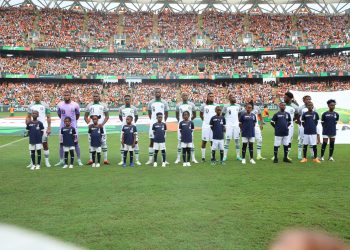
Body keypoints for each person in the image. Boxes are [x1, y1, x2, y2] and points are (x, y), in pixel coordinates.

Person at [56, 91, 82, 166]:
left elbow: (77, 115)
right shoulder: (60, 105)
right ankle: (61, 160)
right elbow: (59, 114)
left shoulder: (75, 105)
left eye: (68, 95)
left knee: (76, 143)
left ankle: (79, 160)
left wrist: (73, 122)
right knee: (61, 143)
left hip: (73, 127)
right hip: (62, 127)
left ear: (70, 95)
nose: (66, 96)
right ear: (63, 96)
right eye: (65, 95)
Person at [26, 91, 52, 168]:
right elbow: (28, 116)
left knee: (45, 144)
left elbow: (48, 117)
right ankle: (32, 162)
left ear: (41, 96)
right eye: (35, 96)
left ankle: (47, 161)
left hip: (42, 128)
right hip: (33, 128)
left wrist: (49, 127)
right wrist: (27, 123)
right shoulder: (31, 106)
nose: (37, 97)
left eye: (38, 96)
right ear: (34, 97)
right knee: (32, 144)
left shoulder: (45, 105)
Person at [85, 92, 109, 165]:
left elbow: (107, 116)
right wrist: (88, 123)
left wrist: (102, 124)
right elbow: (85, 116)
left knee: (103, 142)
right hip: (92, 128)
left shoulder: (103, 105)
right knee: (91, 142)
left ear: (99, 97)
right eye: (94, 96)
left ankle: (105, 159)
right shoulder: (89, 105)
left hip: (101, 127)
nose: (95, 97)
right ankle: (91, 159)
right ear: (93, 97)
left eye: (97, 96)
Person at [146, 89, 169, 165]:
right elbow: (149, 113)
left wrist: (163, 122)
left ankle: (164, 160)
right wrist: (153, 120)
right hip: (153, 123)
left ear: (161, 93)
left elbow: (166, 113)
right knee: (152, 141)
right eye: (156, 92)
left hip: (162, 124)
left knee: (163, 141)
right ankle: (150, 159)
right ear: (154, 93)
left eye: (159, 92)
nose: (157, 93)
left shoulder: (164, 102)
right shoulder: (150, 102)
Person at [175, 93, 198, 164]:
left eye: (186, 95)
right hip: (181, 125)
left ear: (188, 96)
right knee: (179, 141)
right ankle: (178, 158)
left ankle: (193, 158)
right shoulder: (178, 105)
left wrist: (189, 121)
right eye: (183, 95)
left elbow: (194, 114)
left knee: (191, 141)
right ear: (181, 97)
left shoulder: (192, 104)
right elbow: (177, 115)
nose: (185, 96)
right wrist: (181, 122)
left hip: (189, 125)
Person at [118, 95, 141, 166]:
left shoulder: (134, 108)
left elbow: (136, 117)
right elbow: (120, 117)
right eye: (126, 99)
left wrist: (132, 124)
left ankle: (137, 160)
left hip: (132, 129)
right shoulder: (121, 108)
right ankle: (122, 160)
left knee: (136, 144)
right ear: (124, 100)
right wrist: (124, 123)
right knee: (122, 144)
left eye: (128, 99)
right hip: (124, 129)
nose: (127, 100)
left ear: (130, 100)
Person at [222, 94, 242, 161]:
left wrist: (239, 123)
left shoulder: (238, 106)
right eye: (233, 97)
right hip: (229, 125)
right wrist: (224, 125)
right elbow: (222, 116)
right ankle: (224, 156)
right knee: (227, 140)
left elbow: (239, 115)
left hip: (236, 125)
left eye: (234, 97)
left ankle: (238, 156)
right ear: (229, 99)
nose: (234, 98)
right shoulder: (226, 106)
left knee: (237, 140)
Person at [200, 92, 217, 162]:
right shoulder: (203, 106)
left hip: (213, 126)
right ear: (207, 97)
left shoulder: (216, 106)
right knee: (204, 141)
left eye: (213, 96)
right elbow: (201, 115)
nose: (212, 97)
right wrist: (205, 121)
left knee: (212, 142)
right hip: (206, 126)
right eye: (210, 96)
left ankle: (212, 157)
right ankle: (203, 158)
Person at [283, 92, 298, 160]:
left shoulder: (295, 106)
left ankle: (287, 155)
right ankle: (275, 155)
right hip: (281, 125)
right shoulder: (282, 105)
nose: (284, 98)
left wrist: (291, 120)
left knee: (289, 141)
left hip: (290, 126)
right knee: (279, 139)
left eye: (285, 97)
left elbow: (297, 116)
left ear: (290, 98)